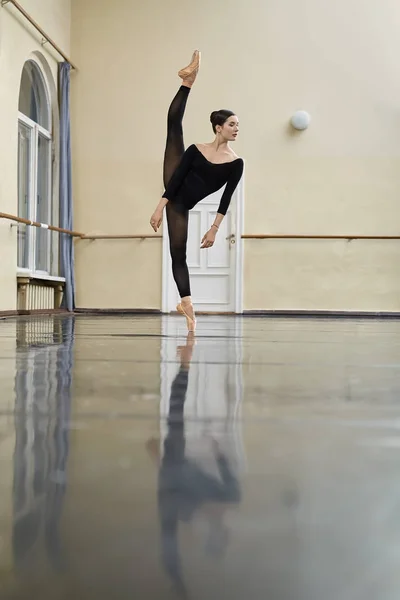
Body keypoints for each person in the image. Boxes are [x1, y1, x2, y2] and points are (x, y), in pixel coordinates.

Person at [150, 51, 244, 333]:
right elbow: (177, 178)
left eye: (238, 125)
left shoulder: (235, 163)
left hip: (182, 205)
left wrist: (214, 229)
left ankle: (185, 305)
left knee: (179, 254)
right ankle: (188, 82)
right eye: (232, 125)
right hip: (174, 189)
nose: (236, 129)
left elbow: (226, 198)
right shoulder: (195, 150)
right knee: (173, 128)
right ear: (219, 127)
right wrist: (159, 206)